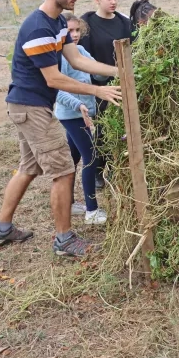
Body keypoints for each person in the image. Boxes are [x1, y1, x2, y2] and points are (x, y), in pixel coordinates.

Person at [0, 0, 121, 257]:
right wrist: (97, 90)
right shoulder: (38, 28)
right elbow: (54, 78)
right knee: (63, 170)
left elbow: (76, 61)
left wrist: (119, 71)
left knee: (28, 167)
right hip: (31, 106)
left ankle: (2, 229)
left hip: (27, 105)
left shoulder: (58, 22)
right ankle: (64, 240)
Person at [55, 13, 107, 226]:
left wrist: (112, 67)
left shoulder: (81, 51)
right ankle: (91, 211)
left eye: (77, 30)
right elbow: (56, 90)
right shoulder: (59, 56)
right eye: (69, 31)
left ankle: (68, 203)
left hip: (82, 112)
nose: (74, 35)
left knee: (74, 158)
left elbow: (97, 74)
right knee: (91, 157)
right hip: (73, 115)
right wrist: (78, 104)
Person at [80, 0, 132, 188]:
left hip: (124, 81)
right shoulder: (87, 23)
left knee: (123, 126)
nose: (113, 2)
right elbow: (83, 57)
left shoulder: (123, 22)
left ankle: (118, 168)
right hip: (99, 85)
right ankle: (98, 172)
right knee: (103, 128)